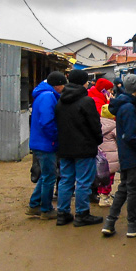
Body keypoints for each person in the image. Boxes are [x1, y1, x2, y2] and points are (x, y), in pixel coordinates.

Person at [102, 74, 136, 238]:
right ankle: (132, 225)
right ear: (134, 89)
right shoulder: (129, 108)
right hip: (133, 155)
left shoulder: (124, 104)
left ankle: (109, 222)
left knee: (123, 188)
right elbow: (130, 135)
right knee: (133, 190)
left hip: (126, 153)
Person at [54, 69, 103, 227]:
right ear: (83, 82)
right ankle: (82, 214)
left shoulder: (61, 101)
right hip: (84, 147)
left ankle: (62, 214)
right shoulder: (86, 101)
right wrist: (98, 140)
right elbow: (95, 125)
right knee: (83, 182)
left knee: (65, 180)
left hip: (65, 147)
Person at [26, 71, 67, 220]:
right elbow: (47, 122)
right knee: (50, 176)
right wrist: (56, 137)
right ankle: (46, 209)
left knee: (46, 176)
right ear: (57, 85)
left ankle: (34, 205)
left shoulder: (43, 94)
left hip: (40, 142)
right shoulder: (48, 96)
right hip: (46, 143)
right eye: (63, 85)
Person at [97, 104, 119, 207]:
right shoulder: (113, 126)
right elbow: (119, 139)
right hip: (111, 157)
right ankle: (105, 196)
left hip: (101, 155)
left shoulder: (98, 124)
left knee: (101, 176)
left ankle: (101, 194)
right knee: (109, 178)